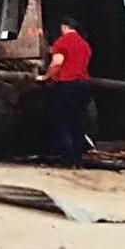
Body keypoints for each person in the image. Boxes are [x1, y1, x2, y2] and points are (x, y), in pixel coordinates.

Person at [37, 17, 93, 166]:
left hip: (67, 85)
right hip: (84, 85)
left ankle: (66, 157)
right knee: (78, 121)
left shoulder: (62, 42)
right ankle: (77, 157)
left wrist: (45, 76)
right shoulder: (85, 45)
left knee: (61, 121)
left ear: (64, 27)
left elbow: (57, 62)